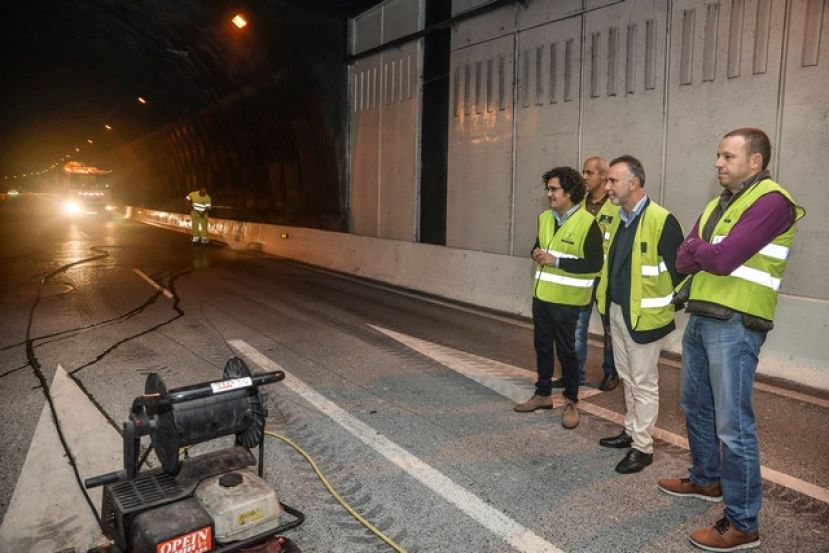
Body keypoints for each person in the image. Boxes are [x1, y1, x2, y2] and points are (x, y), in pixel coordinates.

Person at [657, 128, 804, 552]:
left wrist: (705, 250)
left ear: (755, 162)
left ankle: (743, 523)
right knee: (695, 406)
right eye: (717, 156)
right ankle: (706, 480)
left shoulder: (772, 202)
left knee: (733, 426)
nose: (718, 163)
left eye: (727, 156)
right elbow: (682, 257)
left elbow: (720, 259)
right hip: (702, 316)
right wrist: (706, 250)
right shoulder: (720, 204)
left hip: (737, 322)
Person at [595, 155, 684, 474]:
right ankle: (631, 432)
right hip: (617, 311)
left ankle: (643, 449)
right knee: (627, 378)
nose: (607, 187)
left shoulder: (662, 220)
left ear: (633, 182)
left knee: (644, 382)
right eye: (606, 181)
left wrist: (663, 307)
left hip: (646, 319)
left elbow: (683, 273)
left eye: (612, 181)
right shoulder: (616, 218)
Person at [514, 167, 603, 430]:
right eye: (548, 189)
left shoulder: (588, 223)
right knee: (542, 346)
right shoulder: (544, 218)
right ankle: (542, 394)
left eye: (554, 189)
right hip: (542, 296)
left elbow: (595, 263)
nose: (549, 194)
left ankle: (571, 401)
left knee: (567, 352)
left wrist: (557, 260)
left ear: (570, 192)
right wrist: (536, 253)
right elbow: (537, 245)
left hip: (569, 300)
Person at [575, 156, 620, 391]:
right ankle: (575, 375)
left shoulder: (617, 205)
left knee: (610, 328)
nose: (584, 177)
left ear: (603, 175)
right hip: (583, 276)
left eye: (589, 172)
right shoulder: (578, 204)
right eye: (583, 172)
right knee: (577, 327)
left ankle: (611, 373)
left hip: (606, 277)